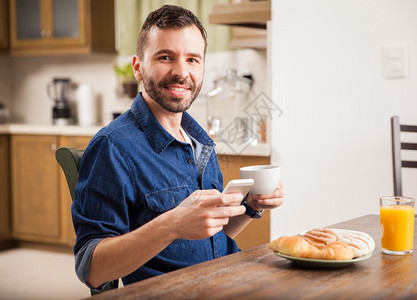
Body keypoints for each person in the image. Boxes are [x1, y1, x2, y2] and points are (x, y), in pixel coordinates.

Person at [72, 5, 284, 291]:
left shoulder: (200, 141)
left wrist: (250, 208)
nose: (181, 72)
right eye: (165, 57)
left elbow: (207, 239)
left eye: (193, 59)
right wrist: (171, 225)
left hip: (228, 281)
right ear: (138, 66)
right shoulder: (113, 147)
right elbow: (92, 269)